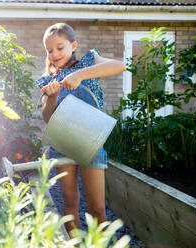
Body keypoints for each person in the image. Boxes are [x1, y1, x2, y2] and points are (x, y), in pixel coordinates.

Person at [36, 23, 126, 235]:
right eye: (50, 50)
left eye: (59, 47)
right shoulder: (48, 79)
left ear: (73, 45)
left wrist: (80, 75)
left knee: (97, 208)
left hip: (91, 142)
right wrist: (52, 96)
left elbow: (119, 65)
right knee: (69, 205)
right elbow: (48, 118)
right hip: (62, 144)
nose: (54, 53)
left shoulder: (88, 61)